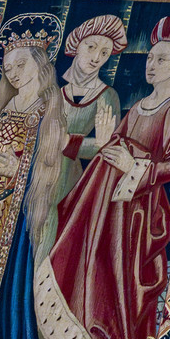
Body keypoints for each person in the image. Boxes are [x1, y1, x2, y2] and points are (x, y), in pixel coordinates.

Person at [37, 16, 170, 339]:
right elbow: (112, 143)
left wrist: (133, 163)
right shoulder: (140, 104)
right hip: (106, 205)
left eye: (162, 59)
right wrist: (110, 148)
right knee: (89, 277)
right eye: (151, 58)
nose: (152, 65)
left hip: (136, 212)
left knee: (118, 290)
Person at [0, 18, 83, 339]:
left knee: (5, 300)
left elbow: (53, 165)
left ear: (40, 65)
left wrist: (14, 169)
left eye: (20, 64)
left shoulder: (49, 108)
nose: (13, 72)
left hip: (17, 219)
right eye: (8, 66)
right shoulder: (5, 106)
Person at [49, 17, 123, 229]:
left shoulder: (107, 96)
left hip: (72, 182)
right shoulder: (55, 94)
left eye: (104, 53)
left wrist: (68, 142)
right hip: (41, 177)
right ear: (76, 45)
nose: (96, 58)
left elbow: (107, 147)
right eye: (91, 47)